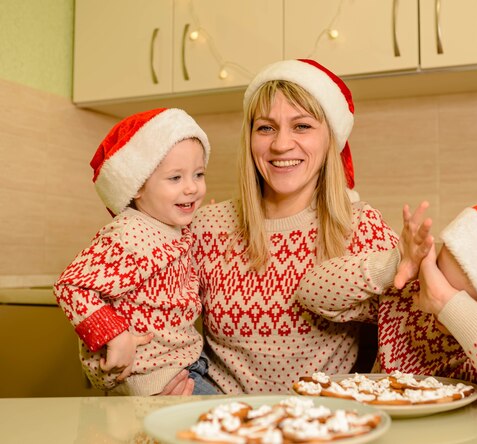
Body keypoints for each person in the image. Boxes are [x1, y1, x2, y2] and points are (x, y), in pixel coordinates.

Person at [189, 59, 433, 394]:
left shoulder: (361, 227)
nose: (281, 144)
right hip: (226, 426)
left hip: (326, 426)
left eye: (302, 126)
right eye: (266, 128)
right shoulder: (207, 228)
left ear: (330, 139)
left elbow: (407, 336)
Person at [298, 195, 477, 417]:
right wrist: (396, 263)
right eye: (437, 273)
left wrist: (446, 303)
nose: (430, 297)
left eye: (458, 297)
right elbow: (311, 293)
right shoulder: (410, 293)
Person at [54, 108, 221, 396]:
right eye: (175, 178)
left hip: (182, 366)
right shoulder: (129, 232)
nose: (192, 187)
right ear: (137, 187)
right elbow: (70, 285)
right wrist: (115, 335)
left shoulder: (166, 226)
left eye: (198, 174)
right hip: (155, 378)